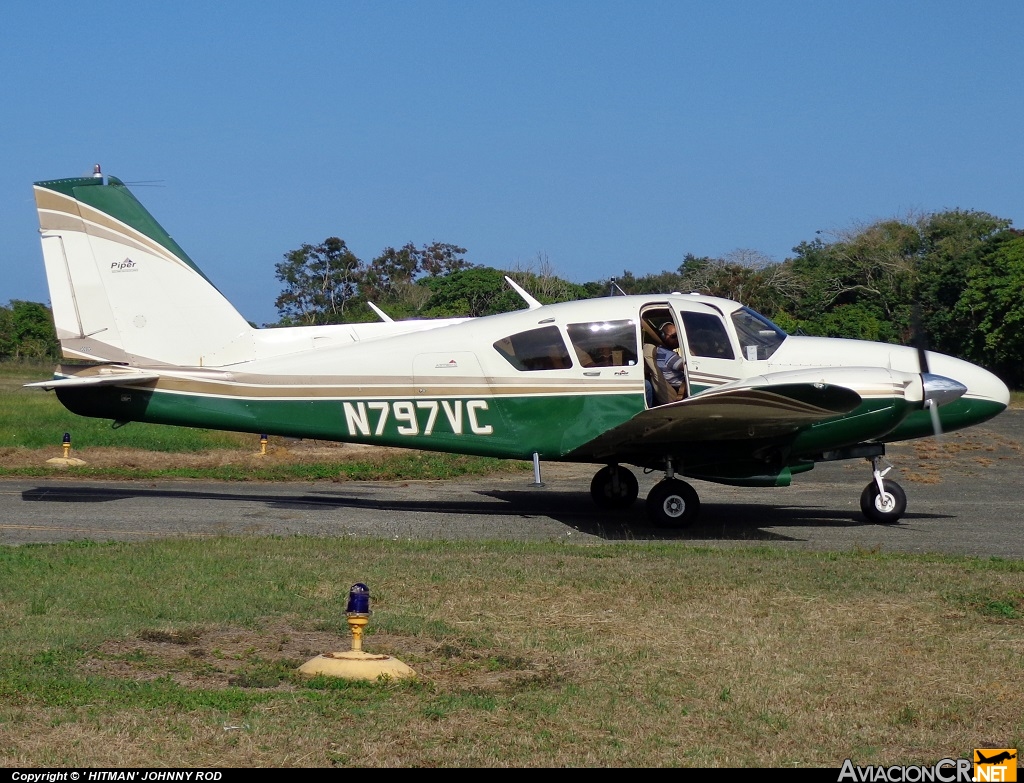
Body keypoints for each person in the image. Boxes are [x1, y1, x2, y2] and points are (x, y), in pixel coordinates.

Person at [656, 323, 687, 392]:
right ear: (663, 336)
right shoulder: (668, 356)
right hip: (683, 388)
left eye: (678, 336)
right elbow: (690, 367)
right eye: (674, 336)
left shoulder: (660, 350)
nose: (677, 339)